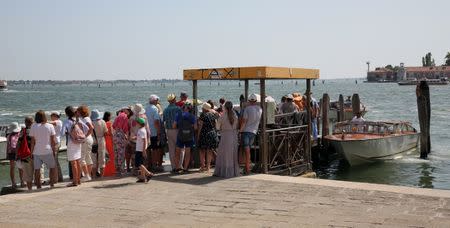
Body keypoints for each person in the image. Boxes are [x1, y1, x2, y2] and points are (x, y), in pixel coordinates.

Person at [30, 110, 57, 188]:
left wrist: (31, 152)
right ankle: (51, 184)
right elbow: (52, 141)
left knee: (37, 170)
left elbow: (32, 141)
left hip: (37, 151)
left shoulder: (33, 126)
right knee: (51, 168)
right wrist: (54, 150)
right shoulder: (50, 126)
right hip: (48, 150)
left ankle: (38, 186)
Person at [213, 101, 240, 178]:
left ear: (225, 107)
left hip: (225, 136)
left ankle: (224, 171)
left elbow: (217, 127)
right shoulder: (235, 116)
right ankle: (233, 172)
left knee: (224, 154)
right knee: (233, 154)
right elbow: (237, 125)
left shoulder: (222, 116)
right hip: (234, 135)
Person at [61, 106, 85, 187]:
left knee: (73, 162)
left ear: (66, 113)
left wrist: (68, 133)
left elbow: (62, 133)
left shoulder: (66, 121)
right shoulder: (77, 120)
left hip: (71, 142)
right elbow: (86, 128)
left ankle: (75, 181)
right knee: (78, 161)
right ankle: (78, 180)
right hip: (79, 142)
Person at [239, 93, 262, 174]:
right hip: (254, 131)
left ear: (249, 101)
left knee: (246, 151)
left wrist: (240, 131)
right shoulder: (260, 109)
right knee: (247, 150)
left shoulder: (247, 109)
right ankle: (246, 168)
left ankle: (247, 169)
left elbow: (244, 121)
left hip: (246, 131)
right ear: (256, 101)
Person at [174, 102, 196, 173]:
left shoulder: (178, 115)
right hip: (189, 136)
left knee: (177, 152)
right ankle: (185, 168)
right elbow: (195, 127)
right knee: (187, 152)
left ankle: (177, 167)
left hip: (180, 136)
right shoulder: (192, 116)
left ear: (182, 108)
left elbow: (174, 126)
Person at [197, 103, 219, 172]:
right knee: (209, 151)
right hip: (212, 134)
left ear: (204, 109)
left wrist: (198, 136)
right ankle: (208, 167)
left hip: (204, 134)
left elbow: (200, 126)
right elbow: (216, 125)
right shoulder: (212, 115)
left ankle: (203, 166)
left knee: (202, 150)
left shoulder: (202, 115)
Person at [163, 93, 182, 172]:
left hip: (168, 130)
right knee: (180, 148)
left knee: (171, 149)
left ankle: (173, 166)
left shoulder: (165, 110)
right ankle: (179, 165)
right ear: (174, 100)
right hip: (177, 130)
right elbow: (181, 120)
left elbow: (164, 120)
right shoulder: (178, 109)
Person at [146, 95, 163, 172]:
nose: (157, 101)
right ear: (154, 101)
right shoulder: (155, 109)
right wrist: (159, 132)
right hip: (154, 132)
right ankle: (154, 165)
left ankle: (149, 165)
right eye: (156, 100)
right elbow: (156, 122)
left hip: (147, 132)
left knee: (148, 149)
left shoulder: (146, 108)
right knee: (155, 149)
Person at [134, 117, 154, 182]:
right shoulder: (142, 129)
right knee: (141, 163)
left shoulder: (141, 130)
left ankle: (148, 173)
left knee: (138, 164)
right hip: (140, 149)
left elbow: (144, 140)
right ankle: (143, 177)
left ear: (139, 123)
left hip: (140, 149)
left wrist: (144, 150)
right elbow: (141, 138)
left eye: (137, 123)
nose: (136, 124)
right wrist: (135, 138)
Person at [16, 117, 34, 190]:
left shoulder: (22, 131)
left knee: (27, 173)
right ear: (32, 122)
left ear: (25, 123)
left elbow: (18, 143)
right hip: (35, 154)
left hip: (25, 155)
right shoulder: (35, 130)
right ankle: (39, 187)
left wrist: (17, 154)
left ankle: (30, 189)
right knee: (37, 171)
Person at [77, 105, 94, 181]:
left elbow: (91, 127)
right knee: (88, 157)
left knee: (82, 158)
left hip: (86, 139)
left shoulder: (85, 119)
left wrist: (85, 136)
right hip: (89, 138)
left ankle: (86, 175)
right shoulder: (86, 118)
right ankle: (88, 175)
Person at [112, 107, 130, 176]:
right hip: (121, 135)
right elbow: (125, 128)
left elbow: (113, 126)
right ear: (125, 110)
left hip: (115, 134)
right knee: (121, 153)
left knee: (116, 153)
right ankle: (122, 170)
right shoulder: (124, 116)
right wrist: (127, 137)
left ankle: (117, 170)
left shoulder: (118, 116)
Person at [91, 109, 108, 178]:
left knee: (93, 158)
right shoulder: (102, 122)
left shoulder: (91, 122)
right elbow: (106, 132)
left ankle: (94, 175)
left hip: (93, 140)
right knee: (102, 158)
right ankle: (101, 176)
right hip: (101, 140)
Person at [6, 122, 22, 188]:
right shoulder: (19, 135)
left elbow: (8, 146)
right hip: (18, 152)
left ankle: (13, 183)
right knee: (20, 168)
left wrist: (7, 154)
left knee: (12, 168)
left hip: (11, 153)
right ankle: (22, 181)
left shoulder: (9, 136)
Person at [49, 111, 63, 182]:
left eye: (51, 115)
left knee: (54, 161)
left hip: (56, 143)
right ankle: (59, 178)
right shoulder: (56, 122)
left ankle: (55, 179)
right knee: (56, 161)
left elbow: (51, 123)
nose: (51, 117)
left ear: (55, 116)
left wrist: (42, 121)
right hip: (56, 142)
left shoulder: (58, 121)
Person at [102, 111, 115, 176]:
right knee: (111, 155)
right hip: (109, 139)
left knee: (105, 156)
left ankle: (105, 171)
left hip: (104, 139)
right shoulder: (109, 123)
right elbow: (112, 133)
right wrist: (113, 142)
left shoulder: (103, 123)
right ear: (108, 116)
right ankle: (111, 171)